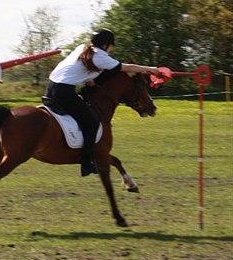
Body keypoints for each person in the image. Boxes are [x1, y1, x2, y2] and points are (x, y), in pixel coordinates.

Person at [44, 29, 158, 177]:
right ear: (105, 45)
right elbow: (126, 68)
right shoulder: (101, 57)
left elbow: (88, 70)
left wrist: (91, 80)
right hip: (64, 91)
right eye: (111, 46)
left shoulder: (83, 48)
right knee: (91, 122)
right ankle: (86, 163)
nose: (111, 49)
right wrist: (151, 70)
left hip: (52, 87)